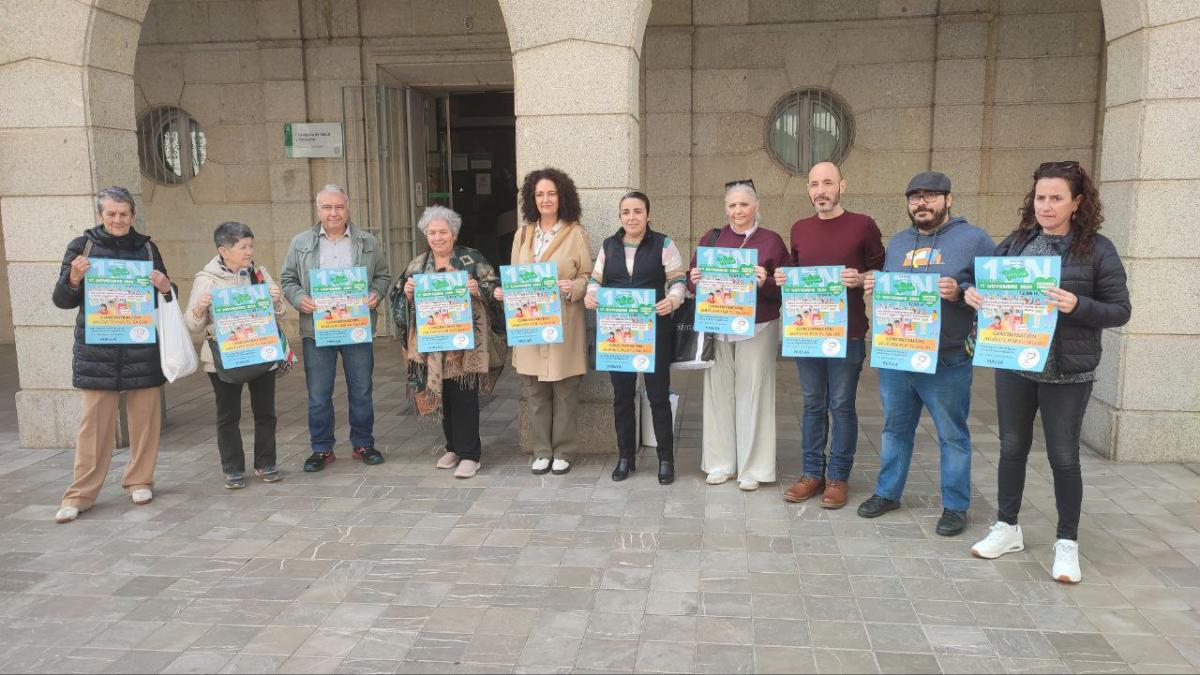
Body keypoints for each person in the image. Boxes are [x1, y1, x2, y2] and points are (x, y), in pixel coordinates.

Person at [966, 161, 1131, 582]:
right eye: (1040, 197)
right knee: (1011, 448)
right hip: (1015, 365)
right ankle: (1007, 527)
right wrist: (972, 293)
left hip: (1068, 373)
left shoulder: (1097, 249)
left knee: (1063, 457)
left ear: (1077, 203)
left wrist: (1078, 306)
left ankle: (1067, 542)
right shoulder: (1020, 242)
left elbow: (1120, 310)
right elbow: (980, 277)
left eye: (1056, 198)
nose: (1046, 205)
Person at [857, 171, 996, 536]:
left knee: (952, 435)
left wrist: (962, 289)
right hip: (898, 356)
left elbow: (996, 292)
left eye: (930, 195)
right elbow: (892, 287)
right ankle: (888, 493)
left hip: (947, 359)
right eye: (914, 197)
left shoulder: (975, 239)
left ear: (948, 199)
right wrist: (875, 283)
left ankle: (955, 506)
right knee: (894, 429)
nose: (921, 202)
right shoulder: (900, 242)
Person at [51, 186, 176, 524]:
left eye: (124, 214)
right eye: (111, 214)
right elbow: (62, 299)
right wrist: (74, 277)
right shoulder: (82, 247)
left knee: (145, 422)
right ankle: (80, 494)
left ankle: (140, 480)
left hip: (141, 346)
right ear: (100, 216)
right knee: (93, 426)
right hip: (98, 351)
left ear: (132, 216)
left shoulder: (148, 248)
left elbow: (168, 294)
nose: (118, 220)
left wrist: (166, 286)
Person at [775, 162, 885, 509]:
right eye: (814, 185)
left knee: (840, 405)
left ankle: (837, 476)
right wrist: (783, 277)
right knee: (812, 404)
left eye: (827, 183)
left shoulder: (863, 225)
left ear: (842, 186)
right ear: (808, 190)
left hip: (848, 331)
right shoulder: (799, 228)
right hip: (807, 332)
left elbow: (883, 270)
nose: (820, 190)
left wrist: (862, 277)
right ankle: (812, 472)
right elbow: (796, 271)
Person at [280, 184, 392, 472]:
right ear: (318, 210)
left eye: (339, 207)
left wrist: (376, 294)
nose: (333, 213)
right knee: (318, 392)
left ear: (348, 208)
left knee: (362, 389)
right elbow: (287, 279)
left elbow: (383, 275)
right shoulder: (301, 242)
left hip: (356, 326)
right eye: (327, 207)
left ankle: (363, 443)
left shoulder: (367, 241)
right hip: (317, 329)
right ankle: (321, 448)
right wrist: (299, 298)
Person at [689, 180, 790, 491]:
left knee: (754, 393)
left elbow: (788, 287)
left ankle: (754, 468)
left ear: (756, 206)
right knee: (718, 394)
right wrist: (694, 280)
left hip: (758, 326)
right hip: (719, 326)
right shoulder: (712, 239)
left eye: (744, 204)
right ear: (725, 208)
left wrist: (768, 282)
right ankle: (720, 463)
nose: (738, 211)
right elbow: (693, 283)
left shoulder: (772, 242)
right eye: (732, 205)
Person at [392, 206, 505, 479]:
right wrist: (406, 295)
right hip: (433, 344)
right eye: (432, 233)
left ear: (453, 233)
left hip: (465, 345)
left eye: (443, 232)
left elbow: (497, 290)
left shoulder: (471, 260)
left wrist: (479, 290)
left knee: (464, 396)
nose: (438, 237)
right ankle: (452, 447)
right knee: (443, 396)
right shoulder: (418, 265)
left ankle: (470, 454)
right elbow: (396, 297)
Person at [584, 191, 686, 485]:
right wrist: (591, 296)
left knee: (658, 396)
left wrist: (674, 299)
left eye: (638, 211)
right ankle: (625, 456)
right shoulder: (608, 246)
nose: (632, 217)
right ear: (620, 217)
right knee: (622, 397)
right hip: (617, 334)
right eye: (626, 212)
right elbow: (596, 280)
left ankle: (665, 458)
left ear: (648, 215)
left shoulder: (663, 243)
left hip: (654, 330)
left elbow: (677, 279)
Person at [496, 167, 592, 475]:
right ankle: (541, 450)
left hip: (564, 320)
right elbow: (515, 276)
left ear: (561, 196)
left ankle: (564, 449)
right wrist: (505, 292)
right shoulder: (523, 234)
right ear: (531, 199)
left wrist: (574, 288)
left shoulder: (575, 232)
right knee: (535, 390)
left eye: (551, 193)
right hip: (530, 324)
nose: (546, 199)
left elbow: (588, 277)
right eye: (540, 194)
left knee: (565, 390)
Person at [185, 222, 287, 489]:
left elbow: (280, 313)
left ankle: (266, 463)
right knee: (228, 415)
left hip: (261, 352)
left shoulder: (259, 272)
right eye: (243, 247)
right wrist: (198, 308)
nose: (249, 251)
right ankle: (233, 468)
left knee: (266, 412)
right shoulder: (206, 279)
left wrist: (276, 300)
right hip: (224, 357)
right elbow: (192, 325)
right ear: (223, 250)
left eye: (251, 246)